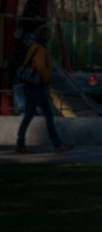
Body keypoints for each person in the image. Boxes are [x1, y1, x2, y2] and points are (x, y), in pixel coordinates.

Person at [15, 25, 73, 154]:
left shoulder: (32, 48)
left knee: (28, 115)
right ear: (46, 38)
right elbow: (40, 66)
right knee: (48, 115)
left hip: (29, 85)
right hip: (37, 86)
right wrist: (46, 80)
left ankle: (20, 144)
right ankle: (57, 144)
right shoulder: (41, 50)